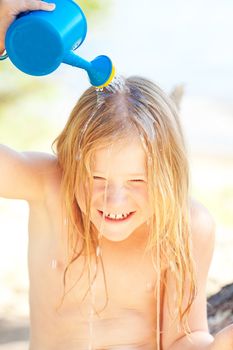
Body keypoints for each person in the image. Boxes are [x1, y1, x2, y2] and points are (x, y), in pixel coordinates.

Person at [0, 1, 233, 349]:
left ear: (168, 177)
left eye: (137, 181)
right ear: (71, 162)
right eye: (95, 178)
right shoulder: (50, 186)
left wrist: (221, 343)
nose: (114, 200)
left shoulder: (186, 226)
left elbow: (183, 338)